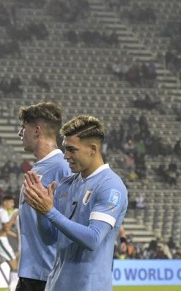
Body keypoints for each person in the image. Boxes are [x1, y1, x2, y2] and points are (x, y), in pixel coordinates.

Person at [23, 115, 128, 291]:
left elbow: (93, 239)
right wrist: (41, 210)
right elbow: (50, 238)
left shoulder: (110, 186)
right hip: (56, 285)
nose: (66, 156)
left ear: (93, 149)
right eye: (65, 149)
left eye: (72, 150)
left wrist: (50, 212)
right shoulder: (66, 183)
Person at [16, 101, 71, 291]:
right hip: (30, 272)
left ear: (37, 131)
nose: (20, 133)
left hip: (47, 275)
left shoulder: (62, 167)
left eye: (24, 128)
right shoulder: (39, 168)